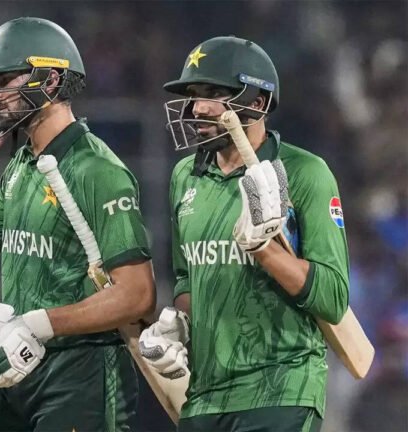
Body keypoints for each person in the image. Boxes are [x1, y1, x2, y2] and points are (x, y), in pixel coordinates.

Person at [0, 17, 156, 431]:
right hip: (17, 369)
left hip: (81, 375)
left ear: (52, 80)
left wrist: (37, 324)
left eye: (6, 79)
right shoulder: (23, 165)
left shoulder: (97, 169)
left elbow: (137, 295)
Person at [138, 36, 350, 432]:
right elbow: (188, 277)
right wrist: (178, 323)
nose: (198, 107)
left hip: (281, 387)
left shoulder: (305, 173)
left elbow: (334, 298)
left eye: (215, 93)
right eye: (194, 94)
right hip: (204, 394)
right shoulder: (185, 175)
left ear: (257, 102)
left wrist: (265, 250)